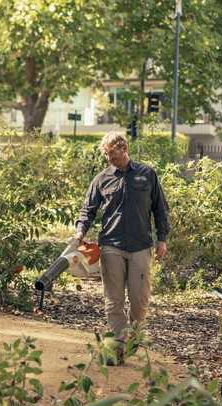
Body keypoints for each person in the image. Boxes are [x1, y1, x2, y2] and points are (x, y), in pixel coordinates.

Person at [74, 132, 170, 362]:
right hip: (111, 246)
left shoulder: (147, 175)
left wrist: (162, 239)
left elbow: (160, 209)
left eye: (112, 155)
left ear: (124, 149)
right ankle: (117, 349)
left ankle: (132, 339)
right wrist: (80, 231)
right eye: (106, 155)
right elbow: (88, 210)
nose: (109, 159)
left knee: (139, 301)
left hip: (140, 246)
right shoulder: (102, 178)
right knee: (113, 301)